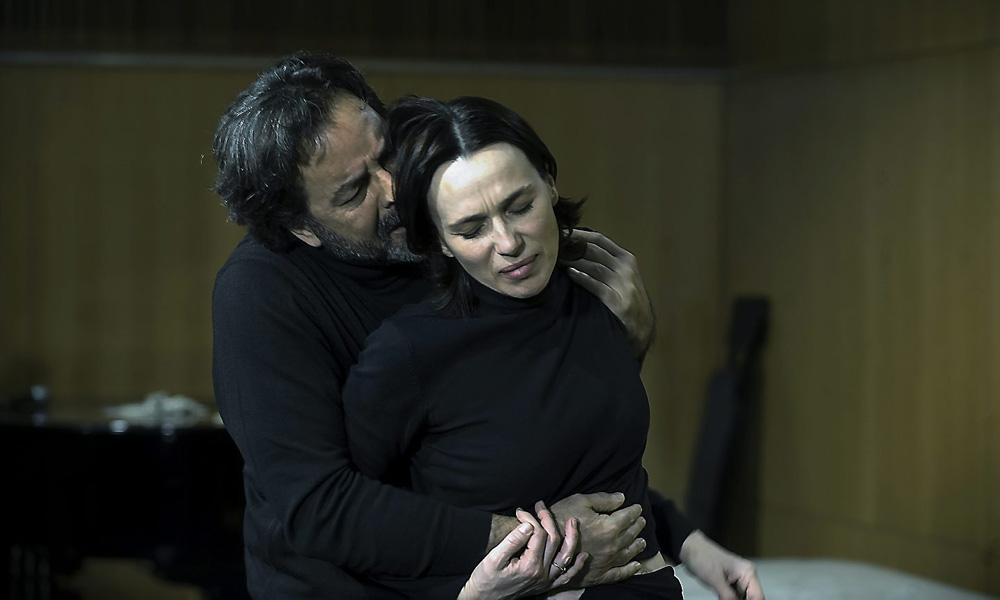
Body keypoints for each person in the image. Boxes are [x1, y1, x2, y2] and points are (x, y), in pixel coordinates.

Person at [211, 52, 762, 600]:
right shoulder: (260, 293)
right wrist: (545, 540)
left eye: (387, 154)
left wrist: (685, 539)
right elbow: (321, 508)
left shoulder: (456, 247)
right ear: (302, 228)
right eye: (355, 191)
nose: (394, 189)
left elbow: (539, 445)